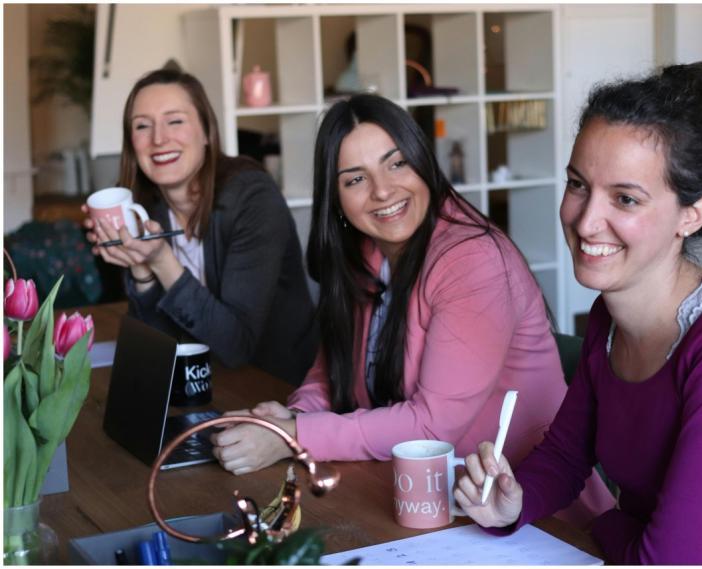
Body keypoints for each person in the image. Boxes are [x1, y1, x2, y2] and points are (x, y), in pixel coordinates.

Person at [453, 61, 702, 564]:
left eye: (625, 198)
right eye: (578, 184)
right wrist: (513, 503)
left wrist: (610, 529)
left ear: (692, 215)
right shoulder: (608, 317)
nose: (586, 221)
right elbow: (568, 455)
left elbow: (674, 558)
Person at [210, 93, 614, 525]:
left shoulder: (471, 259)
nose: (383, 190)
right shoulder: (365, 253)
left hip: (529, 514)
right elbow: (331, 372)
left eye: (397, 163)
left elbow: (433, 427)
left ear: (423, 163)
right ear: (336, 198)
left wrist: (294, 436)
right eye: (355, 179)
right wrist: (292, 417)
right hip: (425, 502)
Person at [83, 68, 318, 384]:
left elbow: (236, 346)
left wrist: (162, 261)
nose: (158, 138)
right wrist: (140, 269)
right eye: (142, 126)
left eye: (175, 121)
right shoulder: (146, 209)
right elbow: (157, 348)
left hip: (276, 387)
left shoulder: (253, 198)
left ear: (207, 132)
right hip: (200, 382)